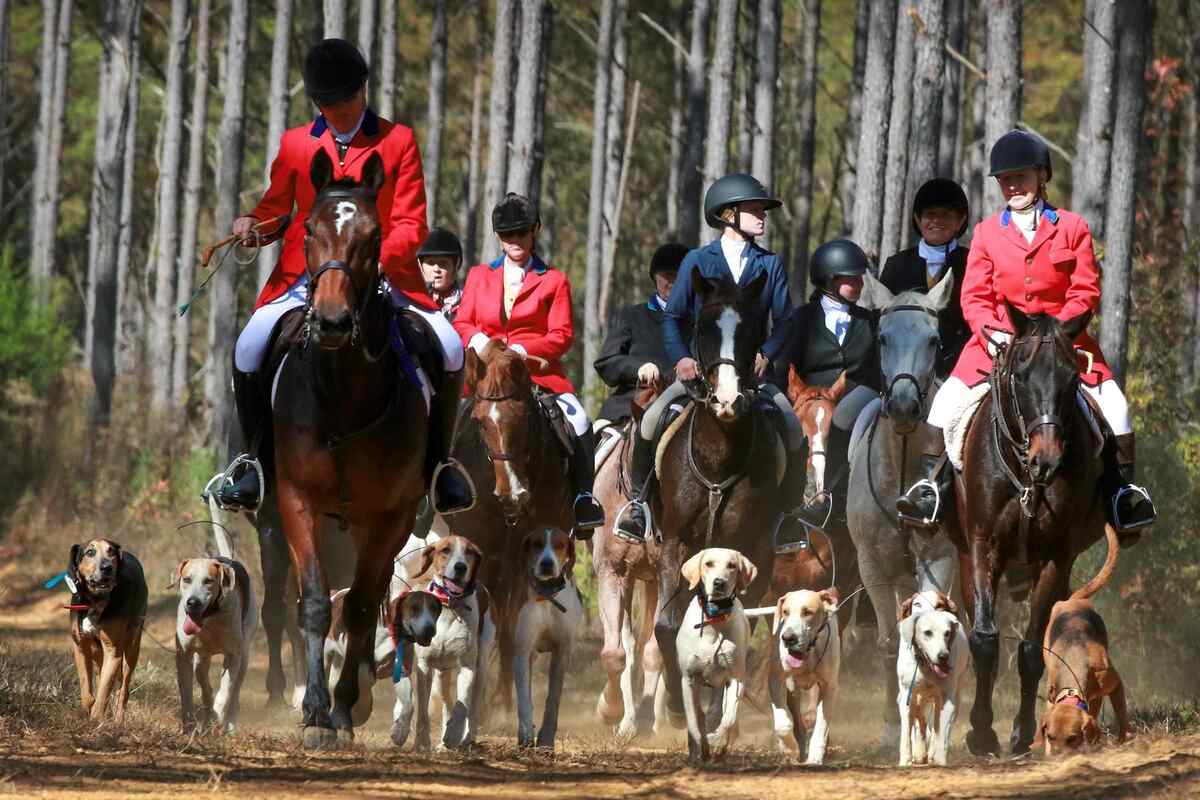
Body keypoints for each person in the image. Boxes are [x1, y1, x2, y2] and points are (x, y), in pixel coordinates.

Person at [208, 39, 474, 517]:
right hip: (305, 277)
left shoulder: (397, 142)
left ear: (363, 91)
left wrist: (362, 262)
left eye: (345, 104)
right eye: (327, 107)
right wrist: (253, 225)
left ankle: (440, 468)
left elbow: (412, 223)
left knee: (451, 348)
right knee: (249, 345)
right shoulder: (296, 143)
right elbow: (277, 209)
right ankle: (251, 463)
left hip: (381, 275)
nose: (338, 114)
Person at [896, 129, 1156, 540]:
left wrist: (1060, 334)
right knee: (943, 404)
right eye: (1005, 179)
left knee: (1118, 408)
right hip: (997, 347)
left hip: (1066, 346)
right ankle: (930, 490)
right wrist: (994, 334)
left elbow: (1086, 290)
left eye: (1021, 176)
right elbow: (975, 297)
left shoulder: (1072, 228)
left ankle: (1123, 496)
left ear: (1041, 176)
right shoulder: (986, 234)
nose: (1013, 186)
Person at [614, 173, 802, 543]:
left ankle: (788, 518)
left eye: (762, 210)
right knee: (652, 420)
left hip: (752, 376)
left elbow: (786, 321)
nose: (762, 216)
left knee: (793, 429)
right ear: (728, 214)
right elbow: (675, 316)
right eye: (753, 210)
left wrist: (767, 352)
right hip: (702, 375)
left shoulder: (770, 264)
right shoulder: (698, 260)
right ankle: (639, 505)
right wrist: (682, 358)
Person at [453, 192, 606, 533]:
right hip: (487, 376)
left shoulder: (553, 280)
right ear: (498, 237)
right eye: (508, 235)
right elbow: (463, 322)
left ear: (534, 231)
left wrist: (521, 350)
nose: (515, 241)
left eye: (521, 233)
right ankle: (442, 491)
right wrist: (481, 342)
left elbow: (562, 334)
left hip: (537, 374)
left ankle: (583, 498)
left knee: (580, 420)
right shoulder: (479, 276)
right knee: (451, 419)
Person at [765, 239, 881, 529]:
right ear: (829, 279)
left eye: (859, 277)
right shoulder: (800, 319)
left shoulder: (870, 322)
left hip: (857, 401)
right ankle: (786, 505)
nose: (859, 283)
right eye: (850, 277)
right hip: (808, 403)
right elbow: (783, 368)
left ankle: (844, 500)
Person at [880, 178, 971, 379]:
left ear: (961, 221)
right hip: (903, 373)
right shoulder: (896, 265)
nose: (937, 221)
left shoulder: (972, 262)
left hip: (960, 370)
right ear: (917, 218)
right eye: (930, 215)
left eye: (946, 215)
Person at [593, 242, 689, 426]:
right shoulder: (631, 315)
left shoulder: (699, 321)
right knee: (598, 445)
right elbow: (607, 362)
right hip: (633, 401)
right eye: (668, 276)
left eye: (680, 277)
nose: (674, 283)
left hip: (687, 401)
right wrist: (638, 368)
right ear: (655, 278)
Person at [417, 228, 465, 320]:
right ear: (420, 265)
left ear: (456, 265)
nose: (436, 269)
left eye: (443, 263)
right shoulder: (412, 304)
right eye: (430, 263)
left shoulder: (468, 303)